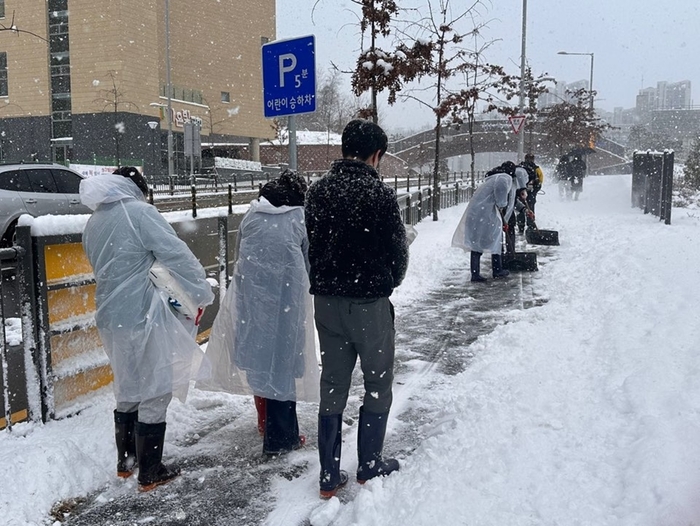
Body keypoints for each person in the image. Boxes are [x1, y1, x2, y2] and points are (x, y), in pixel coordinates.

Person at [80, 167, 214, 492]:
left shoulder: (94, 221)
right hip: (144, 315)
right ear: (138, 189)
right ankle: (151, 471)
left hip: (111, 317)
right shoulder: (140, 213)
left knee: (127, 387)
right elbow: (176, 254)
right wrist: (200, 292)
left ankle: (126, 463)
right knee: (155, 386)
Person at [304, 119, 409, 499]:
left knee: (333, 382)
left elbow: (311, 246)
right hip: (368, 303)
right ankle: (369, 464)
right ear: (376, 155)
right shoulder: (380, 195)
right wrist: (388, 280)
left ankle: (329, 475)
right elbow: (398, 253)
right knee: (377, 381)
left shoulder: (317, 193)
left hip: (327, 301)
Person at [197, 170, 319, 457]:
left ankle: (265, 421)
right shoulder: (300, 218)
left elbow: (239, 256)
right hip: (287, 300)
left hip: (252, 299)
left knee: (258, 357)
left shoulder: (252, 215)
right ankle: (281, 438)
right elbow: (309, 262)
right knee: (284, 360)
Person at [451, 161, 530, 281]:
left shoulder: (497, 177)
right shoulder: (504, 178)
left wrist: (524, 209)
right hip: (486, 214)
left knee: (482, 242)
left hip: (481, 213)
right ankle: (496, 270)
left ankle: (479, 272)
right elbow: (501, 201)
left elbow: (511, 201)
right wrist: (504, 220)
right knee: (488, 241)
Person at [517, 153, 544, 233]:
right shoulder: (536, 168)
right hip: (531, 192)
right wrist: (535, 190)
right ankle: (531, 225)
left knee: (520, 208)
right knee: (530, 208)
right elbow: (541, 180)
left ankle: (520, 226)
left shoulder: (520, 167)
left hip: (520, 191)